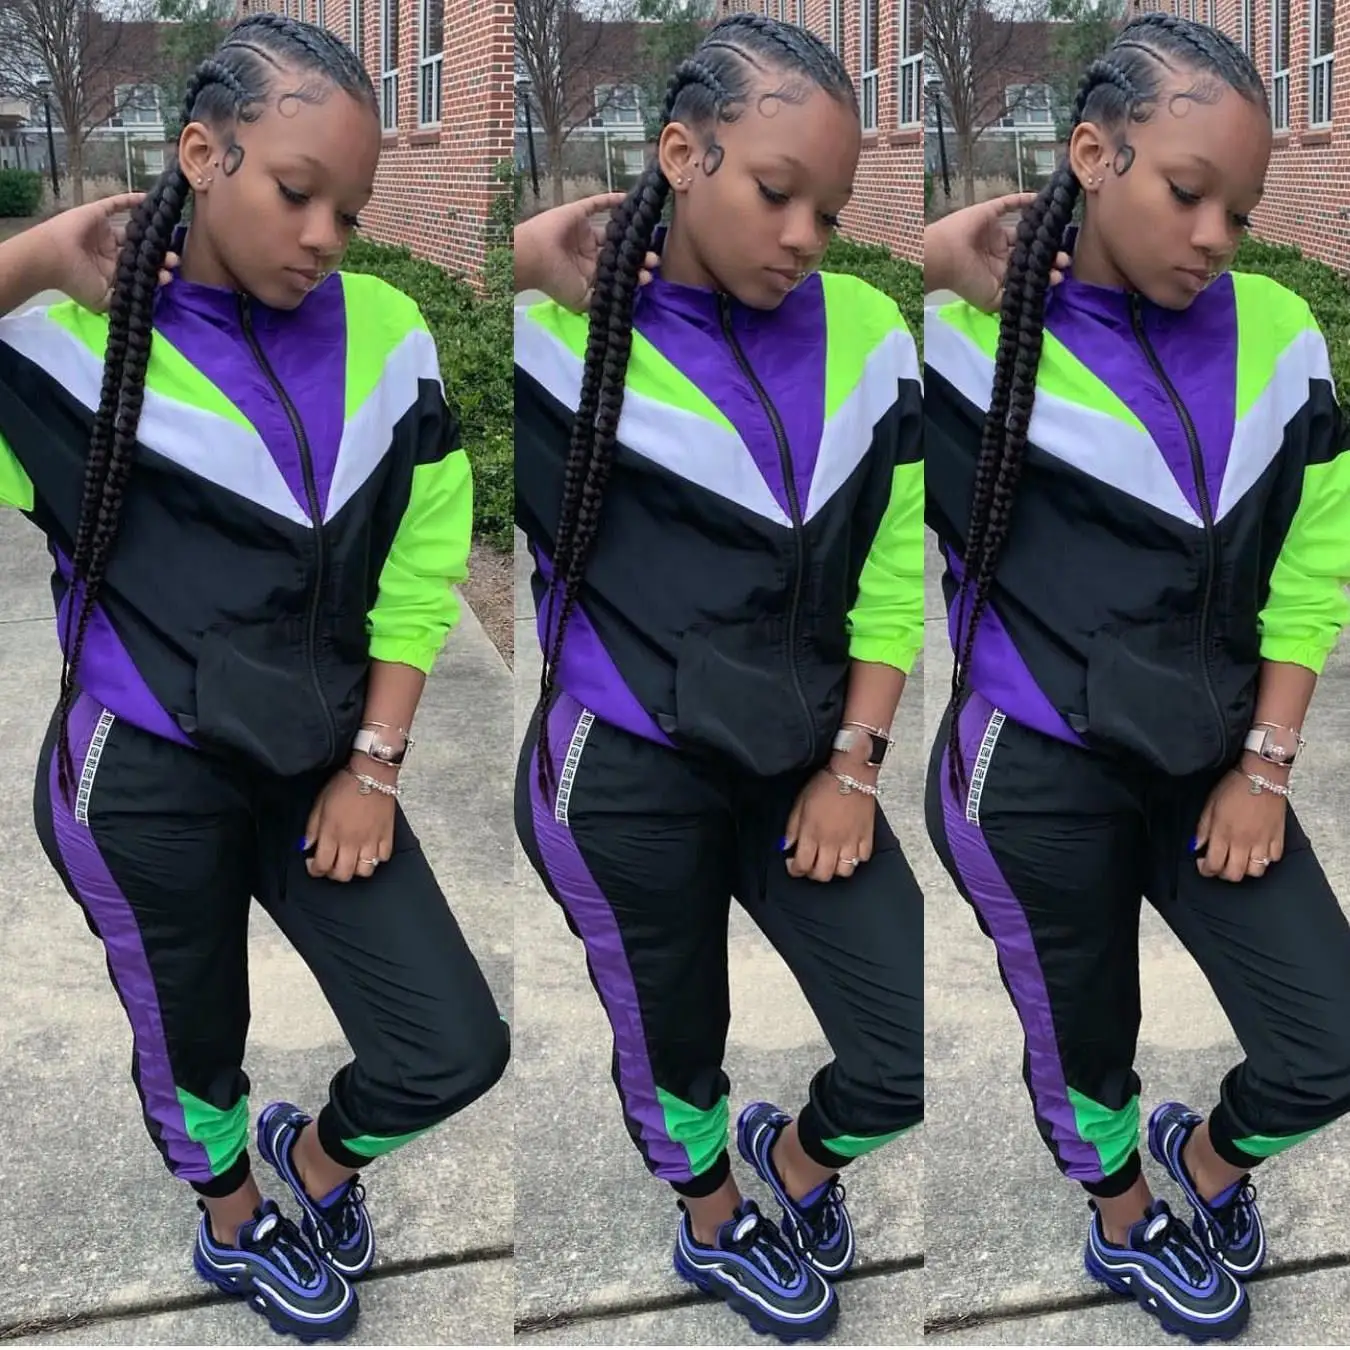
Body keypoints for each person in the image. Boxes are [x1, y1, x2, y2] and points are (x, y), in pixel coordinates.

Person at [0, 15, 508, 1341]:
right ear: (201, 153)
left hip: (323, 772)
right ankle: (232, 1219)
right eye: (295, 192)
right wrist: (36, 259)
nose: (325, 236)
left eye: (350, 209)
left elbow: (422, 567)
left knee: (454, 1046)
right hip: (144, 783)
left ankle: (315, 1163)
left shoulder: (389, 335)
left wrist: (374, 765)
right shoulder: (63, 349)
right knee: (194, 1043)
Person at [923, 13, 1350, 1342]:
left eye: (1242, 208)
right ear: (1093, 154)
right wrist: (937, 251)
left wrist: (1264, 766)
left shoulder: (1280, 335)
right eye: (1186, 191)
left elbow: (1315, 565)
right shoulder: (968, 345)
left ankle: (1204, 1166)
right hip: (1037, 779)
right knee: (1084, 1040)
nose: (1218, 234)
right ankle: (1119, 1218)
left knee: (1328, 1045)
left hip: (1216, 766)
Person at [514, 14, 923, 1343]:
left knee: (912, 1051)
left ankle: (790, 1165)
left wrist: (854, 764)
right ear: (682, 154)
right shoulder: (556, 341)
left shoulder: (868, 334)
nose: (805, 236)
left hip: (806, 769)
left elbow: (891, 578)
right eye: (774, 191)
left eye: (830, 209)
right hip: (627, 776)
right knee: (672, 1036)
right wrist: (539, 252)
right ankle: (708, 1217)